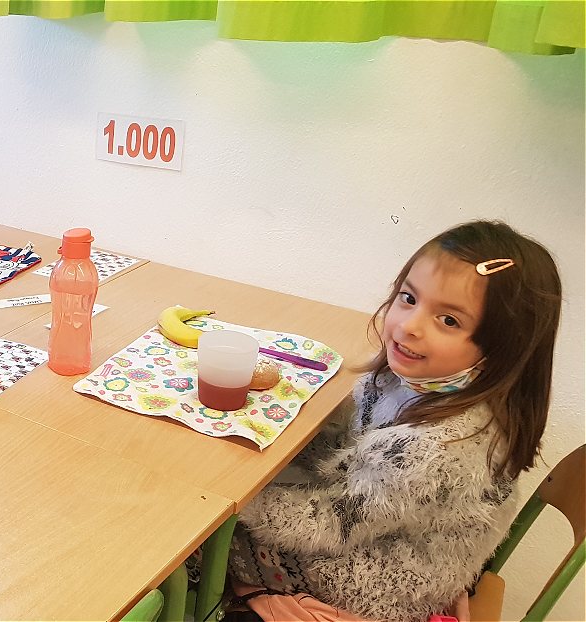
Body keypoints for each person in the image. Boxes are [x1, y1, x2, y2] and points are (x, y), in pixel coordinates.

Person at [227, 220, 563, 622]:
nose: (409, 325)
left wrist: (232, 496)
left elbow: (328, 523)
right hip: (376, 531)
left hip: (370, 580)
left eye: (449, 320)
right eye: (409, 297)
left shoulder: (435, 449)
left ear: (503, 349)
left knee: (204, 540)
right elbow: (346, 442)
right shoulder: (419, 378)